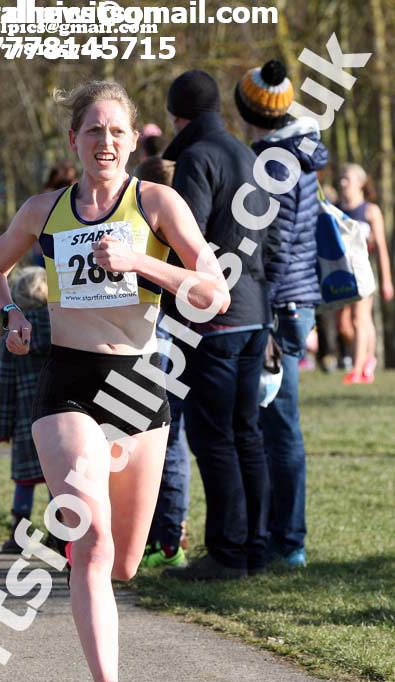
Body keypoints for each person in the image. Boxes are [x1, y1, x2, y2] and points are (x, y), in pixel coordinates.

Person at [0, 80, 229, 682]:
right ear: (73, 141)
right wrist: (10, 316)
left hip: (140, 387)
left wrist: (145, 262)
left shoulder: (155, 201)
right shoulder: (44, 209)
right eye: (93, 130)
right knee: (87, 540)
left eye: (116, 131)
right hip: (67, 382)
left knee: (122, 566)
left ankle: (105, 620)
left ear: (131, 137)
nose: (105, 142)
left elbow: (213, 289)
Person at [160, 69, 273, 582]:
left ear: (179, 115)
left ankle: (226, 553)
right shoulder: (248, 155)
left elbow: (193, 244)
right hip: (254, 312)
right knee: (247, 433)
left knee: (214, 437)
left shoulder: (195, 159)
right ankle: (256, 546)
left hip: (215, 319)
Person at [235, 59, 328, 568]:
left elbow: (272, 244)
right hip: (299, 298)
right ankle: (279, 535)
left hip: (278, 303)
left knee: (278, 424)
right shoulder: (301, 151)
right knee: (275, 423)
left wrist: (264, 310)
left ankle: (286, 540)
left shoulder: (271, 163)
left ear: (245, 108)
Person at [133, 156, 189, 569]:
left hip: (159, 337)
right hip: (176, 338)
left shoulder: (151, 223)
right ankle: (165, 535)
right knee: (171, 444)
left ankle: (166, 539)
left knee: (163, 445)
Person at [0, 267, 51, 552]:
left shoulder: (13, 336)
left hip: (25, 420)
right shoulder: (66, 329)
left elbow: (4, 387)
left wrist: (1, 427)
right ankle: (60, 533)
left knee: (25, 479)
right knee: (59, 478)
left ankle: (20, 532)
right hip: (59, 417)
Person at [338, 163, 394, 384]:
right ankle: (368, 358)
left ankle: (357, 368)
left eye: (347, 178)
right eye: (341, 178)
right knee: (343, 324)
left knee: (359, 319)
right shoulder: (335, 209)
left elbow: (381, 248)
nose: (343, 182)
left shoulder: (371, 211)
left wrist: (387, 280)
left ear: (360, 183)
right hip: (340, 272)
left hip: (363, 271)